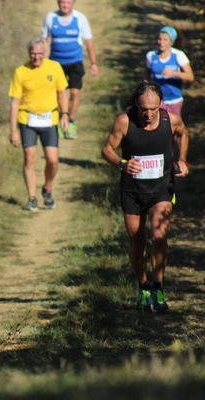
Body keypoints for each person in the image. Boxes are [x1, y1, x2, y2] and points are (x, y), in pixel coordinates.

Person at [101, 81, 189, 313]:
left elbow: (183, 134)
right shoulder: (124, 121)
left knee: (159, 235)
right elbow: (107, 149)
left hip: (161, 189)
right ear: (136, 106)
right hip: (133, 191)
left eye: (153, 109)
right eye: (143, 109)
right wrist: (122, 163)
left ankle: (158, 286)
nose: (148, 114)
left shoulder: (171, 120)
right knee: (137, 241)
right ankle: (143, 287)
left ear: (160, 104)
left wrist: (182, 160)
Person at [9, 38, 69, 212]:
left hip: (49, 119)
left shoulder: (54, 67)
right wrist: (13, 130)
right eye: (33, 54)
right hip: (27, 119)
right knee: (30, 158)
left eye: (40, 54)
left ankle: (47, 188)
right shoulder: (21, 72)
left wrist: (65, 115)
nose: (36, 58)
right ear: (29, 54)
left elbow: (62, 93)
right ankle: (32, 198)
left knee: (52, 160)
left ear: (45, 53)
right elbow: (14, 102)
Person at [41, 0, 98, 139]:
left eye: (68, 2)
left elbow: (88, 42)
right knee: (59, 94)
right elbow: (44, 40)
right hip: (56, 63)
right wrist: (43, 63)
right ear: (58, 3)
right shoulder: (50, 18)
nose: (65, 5)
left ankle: (70, 122)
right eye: (62, 2)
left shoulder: (80, 18)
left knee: (74, 93)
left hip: (74, 62)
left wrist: (93, 63)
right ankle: (61, 121)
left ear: (73, 4)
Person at [145, 26, 194, 115]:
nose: (161, 43)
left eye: (165, 40)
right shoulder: (151, 55)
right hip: (156, 101)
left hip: (174, 100)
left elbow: (190, 76)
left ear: (171, 42)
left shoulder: (178, 55)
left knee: (172, 127)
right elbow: (147, 73)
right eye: (160, 39)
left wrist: (174, 73)